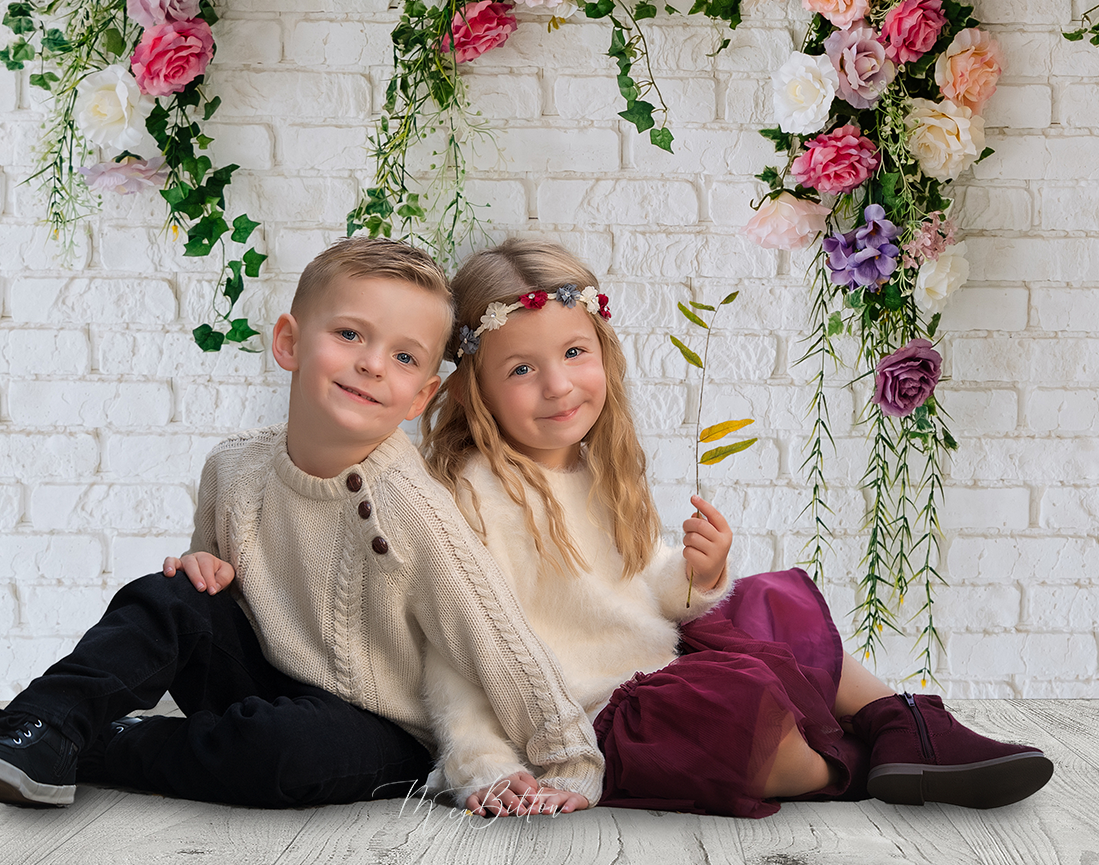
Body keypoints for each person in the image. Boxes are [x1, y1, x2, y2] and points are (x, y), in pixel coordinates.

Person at [0, 237, 602, 814]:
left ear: (422, 395)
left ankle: (111, 744)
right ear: (289, 342)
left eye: (404, 359)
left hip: (377, 722)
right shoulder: (232, 467)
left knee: (285, 756)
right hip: (259, 673)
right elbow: (216, 579)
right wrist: (201, 569)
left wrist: (570, 758)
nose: (373, 364)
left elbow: (493, 634)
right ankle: (37, 727)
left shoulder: (412, 504)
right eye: (350, 335)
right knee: (165, 595)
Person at [420, 237, 1054, 817]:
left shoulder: (594, 467)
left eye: (573, 352)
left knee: (769, 599)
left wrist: (695, 574)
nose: (558, 385)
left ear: (602, 354)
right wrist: (485, 767)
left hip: (655, 666)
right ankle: (855, 765)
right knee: (735, 709)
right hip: (590, 719)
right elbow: (456, 657)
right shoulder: (471, 498)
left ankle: (901, 724)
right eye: (522, 369)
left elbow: (640, 589)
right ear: (477, 387)